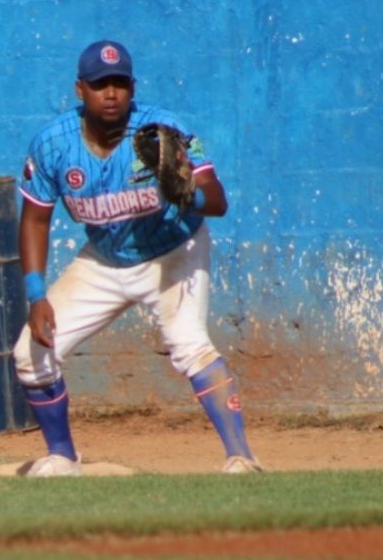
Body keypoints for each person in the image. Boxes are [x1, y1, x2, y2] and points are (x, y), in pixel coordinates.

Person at [13, 40, 261, 477]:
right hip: (104, 259)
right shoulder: (54, 144)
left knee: (189, 344)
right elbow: (34, 220)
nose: (110, 93)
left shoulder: (162, 129)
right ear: (80, 89)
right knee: (29, 354)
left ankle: (242, 458)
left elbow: (218, 201)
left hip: (173, 252)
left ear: (133, 87)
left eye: (120, 83)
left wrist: (188, 193)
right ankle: (62, 457)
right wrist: (36, 294)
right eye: (99, 84)